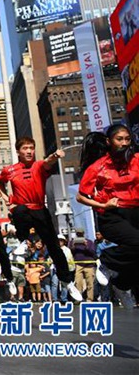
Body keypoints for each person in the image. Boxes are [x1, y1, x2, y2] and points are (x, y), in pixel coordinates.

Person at [0, 137, 83, 302]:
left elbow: (48, 162)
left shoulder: (38, 166)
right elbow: (0, 183)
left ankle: (67, 282)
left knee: (54, 247)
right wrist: (7, 199)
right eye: (25, 148)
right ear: (18, 151)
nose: (29, 151)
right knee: (19, 210)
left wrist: (55, 156)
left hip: (40, 210)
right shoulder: (10, 170)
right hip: (22, 209)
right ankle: (21, 239)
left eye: (31, 148)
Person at [76, 125, 139, 305]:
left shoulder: (136, 160)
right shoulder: (98, 167)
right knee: (137, 242)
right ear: (108, 141)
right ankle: (106, 260)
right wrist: (103, 205)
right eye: (119, 139)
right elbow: (81, 196)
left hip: (135, 212)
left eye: (127, 139)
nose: (124, 143)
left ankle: (122, 283)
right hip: (112, 215)